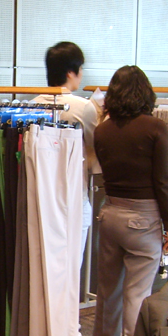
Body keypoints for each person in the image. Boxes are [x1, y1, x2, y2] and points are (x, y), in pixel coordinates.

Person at [92, 66, 168, 336]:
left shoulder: (102, 130)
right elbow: (162, 182)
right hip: (144, 219)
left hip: (110, 213)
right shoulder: (156, 128)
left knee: (108, 291)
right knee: (137, 295)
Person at [33, 41, 99, 258]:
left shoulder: (31, 105)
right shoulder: (83, 107)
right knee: (71, 264)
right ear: (71, 72)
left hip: (39, 194)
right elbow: (96, 145)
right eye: (81, 69)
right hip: (73, 195)